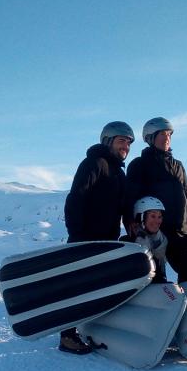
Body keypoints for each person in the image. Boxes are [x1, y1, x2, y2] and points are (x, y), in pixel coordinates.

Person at [60, 120, 134, 354]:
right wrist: (78, 236)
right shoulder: (94, 163)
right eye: (121, 141)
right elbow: (75, 199)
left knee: (96, 287)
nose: (126, 146)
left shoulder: (118, 173)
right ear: (108, 141)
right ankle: (67, 336)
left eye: (128, 142)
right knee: (76, 287)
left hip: (106, 240)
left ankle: (90, 328)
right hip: (85, 239)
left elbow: (121, 208)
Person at [125, 117, 187, 282]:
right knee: (155, 274)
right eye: (162, 135)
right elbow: (130, 196)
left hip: (181, 229)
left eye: (169, 135)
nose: (167, 138)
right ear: (151, 138)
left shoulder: (178, 165)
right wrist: (130, 221)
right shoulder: (140, 164)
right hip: (157, 229)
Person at [128, 196, 187, 283]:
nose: (157, 221)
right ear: (141, 218)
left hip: (158, 290)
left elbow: (180, 245)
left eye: (160, 217)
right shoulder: (130, 243)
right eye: (153, 216)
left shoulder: (163, 239)